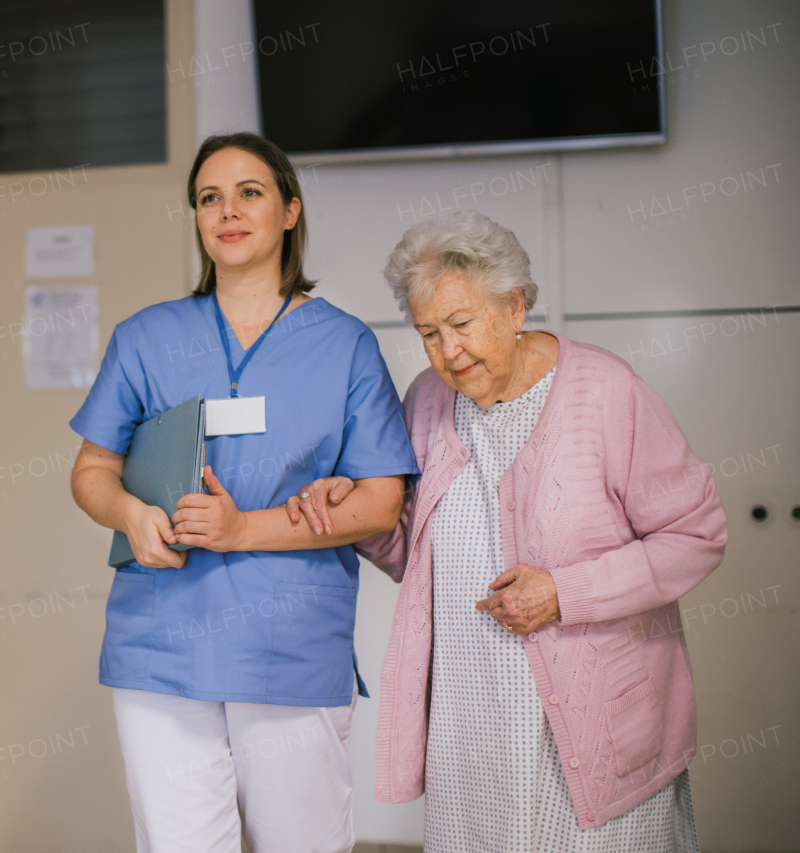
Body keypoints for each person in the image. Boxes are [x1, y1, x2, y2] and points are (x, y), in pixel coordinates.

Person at [287, 210, 727, 851]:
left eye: (462, 324)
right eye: (429, 333)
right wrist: (358, 507)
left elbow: (696, 535)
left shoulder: (605, 393)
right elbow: (412, 552)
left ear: (516, 307)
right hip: (473, 726)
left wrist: (564, 593)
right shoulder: (428, 402)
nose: (448, 352)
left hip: (592, 724)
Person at [68, 133, 419, 853]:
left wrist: (239, 530)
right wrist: (131, 514)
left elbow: (381, 503)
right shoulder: (146, 337)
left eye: (249, 192)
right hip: (160, 644)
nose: (227, 210)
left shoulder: (344, 345)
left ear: (290, 211)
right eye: (208, 197)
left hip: (287, 643)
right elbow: (91, 469)